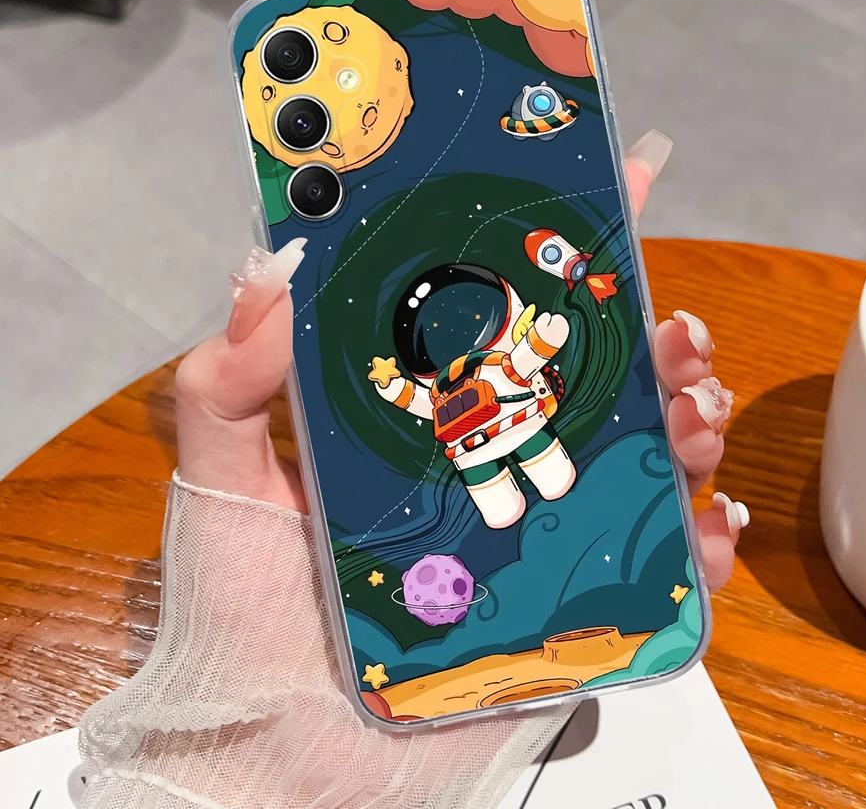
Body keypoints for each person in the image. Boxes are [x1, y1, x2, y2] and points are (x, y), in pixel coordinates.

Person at [77, 142, 748, 809]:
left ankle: (541, 488)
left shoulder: (494, 366)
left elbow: (524, 357)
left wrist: (543, 337)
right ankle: (523, 499)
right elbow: (426, 399)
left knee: (549, 470)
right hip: (480, 451)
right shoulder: (447, 385)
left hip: (514, 430)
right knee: (506, 497)